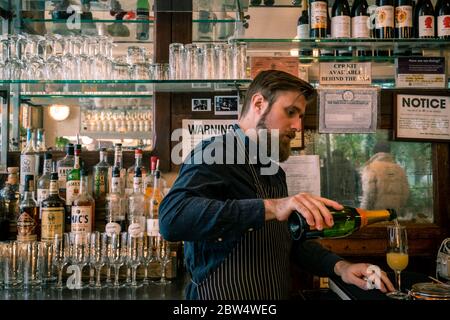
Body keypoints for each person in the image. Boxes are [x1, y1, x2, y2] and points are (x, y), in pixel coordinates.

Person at [159, 70, 394, 300]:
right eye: (290, 112)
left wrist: (340, 267)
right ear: (259, 103)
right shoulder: (217, 152)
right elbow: (172, 219)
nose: (297, 126)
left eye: (300, 116)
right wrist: (273, 207)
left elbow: (287, 240)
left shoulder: (273, 171)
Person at [360, 142, 410, 218]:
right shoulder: (400, 170)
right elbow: (406, 194)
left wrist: (362, 214)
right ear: (389, 152)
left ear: (374, 152)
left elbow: (368, 195)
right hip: (395, 217)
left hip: (376, 218)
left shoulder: (370, 168)